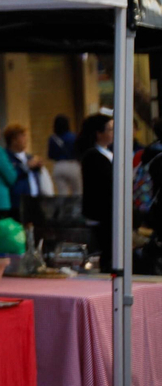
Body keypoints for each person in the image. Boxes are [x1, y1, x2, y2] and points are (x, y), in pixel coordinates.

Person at [77, 113, 118, 272]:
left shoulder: (109, 153)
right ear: (98, 133)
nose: (113, 133)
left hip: (111, 210)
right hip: (102, 211)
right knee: (107, 249)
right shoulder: (93, 156)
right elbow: (103, 185)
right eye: (109, 129)